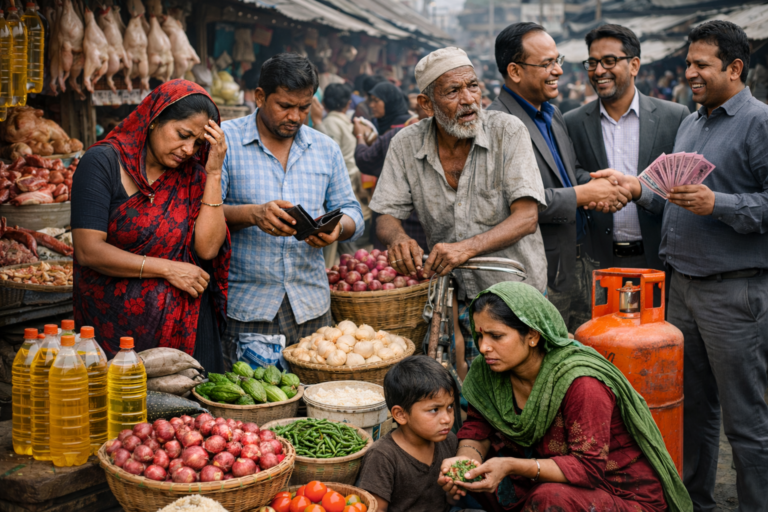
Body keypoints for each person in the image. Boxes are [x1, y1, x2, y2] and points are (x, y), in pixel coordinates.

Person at [590, 21, 768, 511]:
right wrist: (636, 188)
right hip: (682, 291)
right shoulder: (693, 122)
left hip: (734, 294)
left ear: (735, 69)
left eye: (700, 65)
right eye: (688, 63)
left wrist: (722, 205)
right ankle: (695, 503)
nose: (688, 72)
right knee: (694, 411)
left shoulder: (759, 122)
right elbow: (674, 198)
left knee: (746, 424)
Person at [369, 47, 547, 377]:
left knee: (524, 389)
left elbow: (526, 216)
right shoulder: (406, 144)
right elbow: (385, 215)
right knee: (462, 390)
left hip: (515, 294)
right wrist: (398, 238)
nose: (468, 99)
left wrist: (465, 248)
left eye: (473, 86)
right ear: (426, 104)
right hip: (454, 297)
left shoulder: (507, 132)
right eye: (453, 91)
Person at [437, 281, 692, 511]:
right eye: (480, 335)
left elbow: (588, 469)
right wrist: (466, 462)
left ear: (533, 336)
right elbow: (477, 429)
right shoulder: (489, 370)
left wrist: (512, 465)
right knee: (475, 477)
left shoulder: (581, 383)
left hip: (618, 494)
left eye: (497, 336)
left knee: (550, 498)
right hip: (543, 480)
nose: (483, 347)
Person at [71, 80, 230, 371]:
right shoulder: (102, 163)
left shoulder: (193, 175)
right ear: (155, 119)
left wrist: (214, 173)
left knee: (194, 416)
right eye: (183, 134)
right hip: (114, 330)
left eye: (198, 143)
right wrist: (168, 268)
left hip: (187, 330)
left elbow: (207, 248)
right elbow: (88, 250)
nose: (188, 149)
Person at [220, 54, 364, 368]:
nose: (296, 116)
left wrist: (339, 229)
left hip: (311, 306)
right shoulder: (225, 141)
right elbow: (201, 214)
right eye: (285, 106)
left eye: (304, 107)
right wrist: (252, 215)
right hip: (249, 307)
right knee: (255, 405)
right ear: (260, 97)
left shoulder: (324, 148)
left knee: (312, 408)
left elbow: (352, 210)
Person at [487, 22, 631, 331]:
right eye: (547, 64)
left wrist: (602, 183)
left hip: (578, 263)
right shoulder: (498, 124)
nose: (558, 71)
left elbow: (567, 174)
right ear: (514, 71)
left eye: (558, 60)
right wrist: (586, 194)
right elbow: (514, 206)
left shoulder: (551, 114)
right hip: (541, 273)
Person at [565, 25, 689, 277]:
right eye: (593, 62)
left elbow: (683, 187)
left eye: (609, 61)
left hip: (657, 261)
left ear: (634, 65)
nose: (599, 71)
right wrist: (599, 185)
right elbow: (567, 173)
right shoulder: (571, 122)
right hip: (597, 264)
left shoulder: (674, 117)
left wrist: (639, 192)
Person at [357, 356, 482, 512]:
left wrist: (456, 489)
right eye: (434, 410)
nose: (447, 419)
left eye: (450, 407)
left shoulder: (448, 440)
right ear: (401, 415)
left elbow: (450, 500)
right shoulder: (383, 456)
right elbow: (376, 508)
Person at [354, 81, 427, 252]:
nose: (372, 105)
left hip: (398, 217)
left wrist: (359, 137)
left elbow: (365, 160)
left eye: (376, 101)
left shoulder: (396, 133)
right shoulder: (394, 128)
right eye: (370, 101)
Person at [318, 83, 373, 259]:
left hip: (340, 187)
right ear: (348, 103)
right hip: (352, 185)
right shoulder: (350, 123)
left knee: (343, 244)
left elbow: (326, 156)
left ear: (324, 103)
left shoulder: (329, 123)